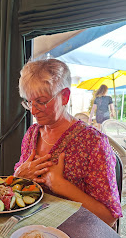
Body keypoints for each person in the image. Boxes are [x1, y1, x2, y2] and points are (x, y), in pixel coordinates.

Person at [13, 58, 122, 227]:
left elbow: (109, 217)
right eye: (29, 102)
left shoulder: (93, 143)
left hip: (76, 235)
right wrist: (19, 175)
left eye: (41, 102)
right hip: (30, 225)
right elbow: (18, 182)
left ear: (65, 96)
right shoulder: (31, 134)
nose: (33, 111)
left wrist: (61, 185)